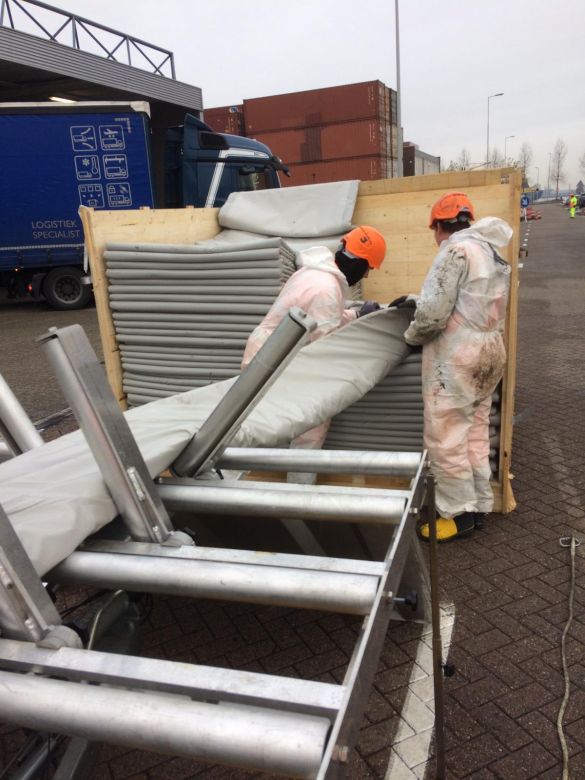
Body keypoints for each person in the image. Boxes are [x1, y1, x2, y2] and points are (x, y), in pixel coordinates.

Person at [400, 192, 512, 542]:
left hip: (459, 357)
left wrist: (410, 337)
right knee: (475, 432)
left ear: (438, 226)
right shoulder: (492, 253)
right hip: (491, 350)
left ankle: (456, 514)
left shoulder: (454, 252)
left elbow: (433, 315)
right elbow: (470, 303)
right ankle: (478, 506)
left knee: (446, 438)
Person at [241, 225, 387, 450]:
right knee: (312, 419)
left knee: (254, 429)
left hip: (270, 354)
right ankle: (300, 472)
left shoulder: (314, 273)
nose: (366, 275)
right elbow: (323, 349)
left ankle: (241, 474)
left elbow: (318, 317)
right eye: (367, 268)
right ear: (358, 263)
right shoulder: (327, 289)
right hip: (275, 361)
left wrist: (357, 315)